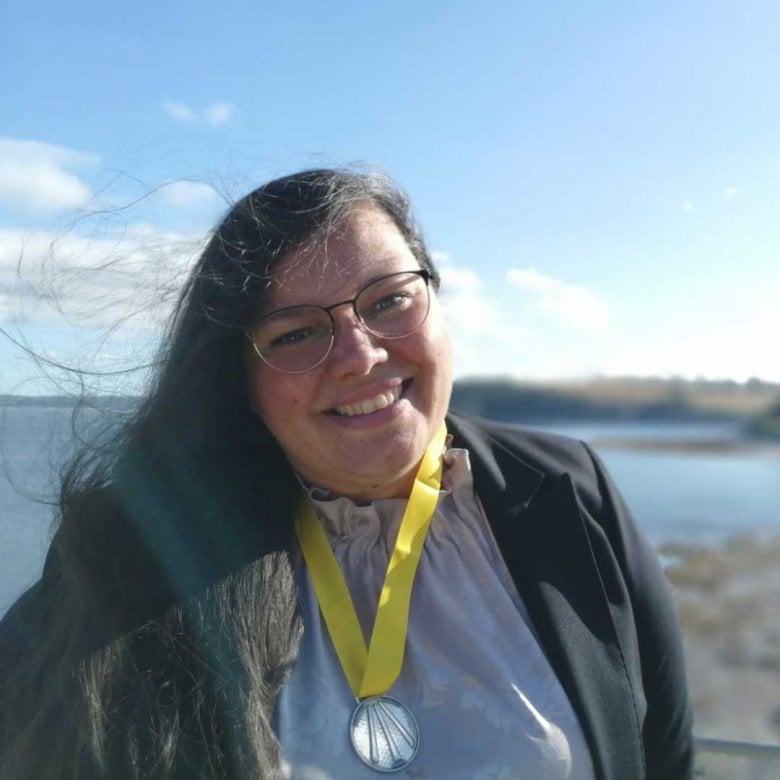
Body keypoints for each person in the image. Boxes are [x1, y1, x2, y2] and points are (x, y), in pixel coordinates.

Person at [0, 168, 694, 779]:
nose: (360, 356)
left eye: (389, 300)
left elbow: (665, 757)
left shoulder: (570, 490)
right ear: (240, 380)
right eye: (296, 333)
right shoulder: (141, 554)